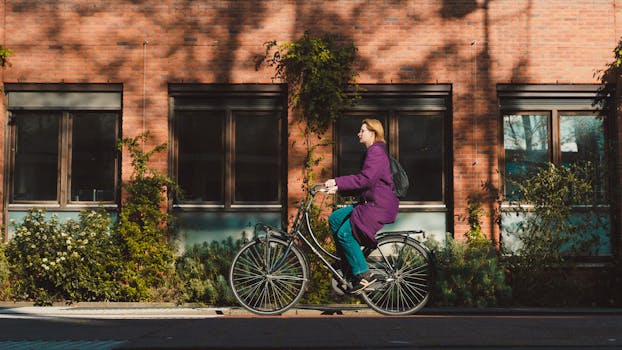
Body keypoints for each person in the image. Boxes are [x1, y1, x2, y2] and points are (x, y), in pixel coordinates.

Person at [324, 118, 399, 293]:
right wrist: (337, 188)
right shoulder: (373, 152)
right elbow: (366, 183)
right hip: (370, 202)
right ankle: (348, 265)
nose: (359, 133)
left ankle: (365, 276)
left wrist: (337, 181)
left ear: (372, 133)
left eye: (362, 130)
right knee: (335, 219)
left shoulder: (376, 152)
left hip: (378, 206)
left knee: (344, 234)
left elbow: (365, 180)